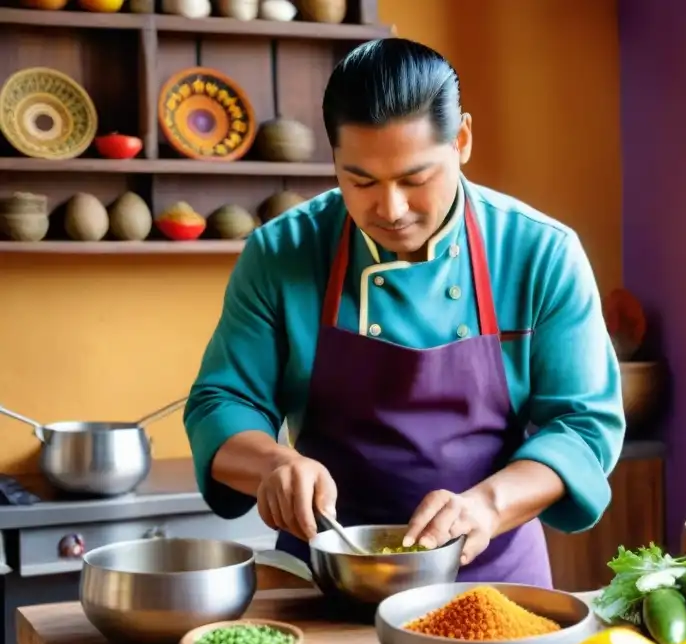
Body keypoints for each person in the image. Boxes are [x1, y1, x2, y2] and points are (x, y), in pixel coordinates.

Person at [183, 37, 625, 588]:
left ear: (461, 139)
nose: (390, 210)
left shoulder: (539, 253)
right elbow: (221, 402)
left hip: (492, 577)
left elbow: (584, 426)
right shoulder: (282, 254)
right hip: (324, 571)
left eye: (416, 180)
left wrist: (489, 504)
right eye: (360, 181)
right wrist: (273, 465)